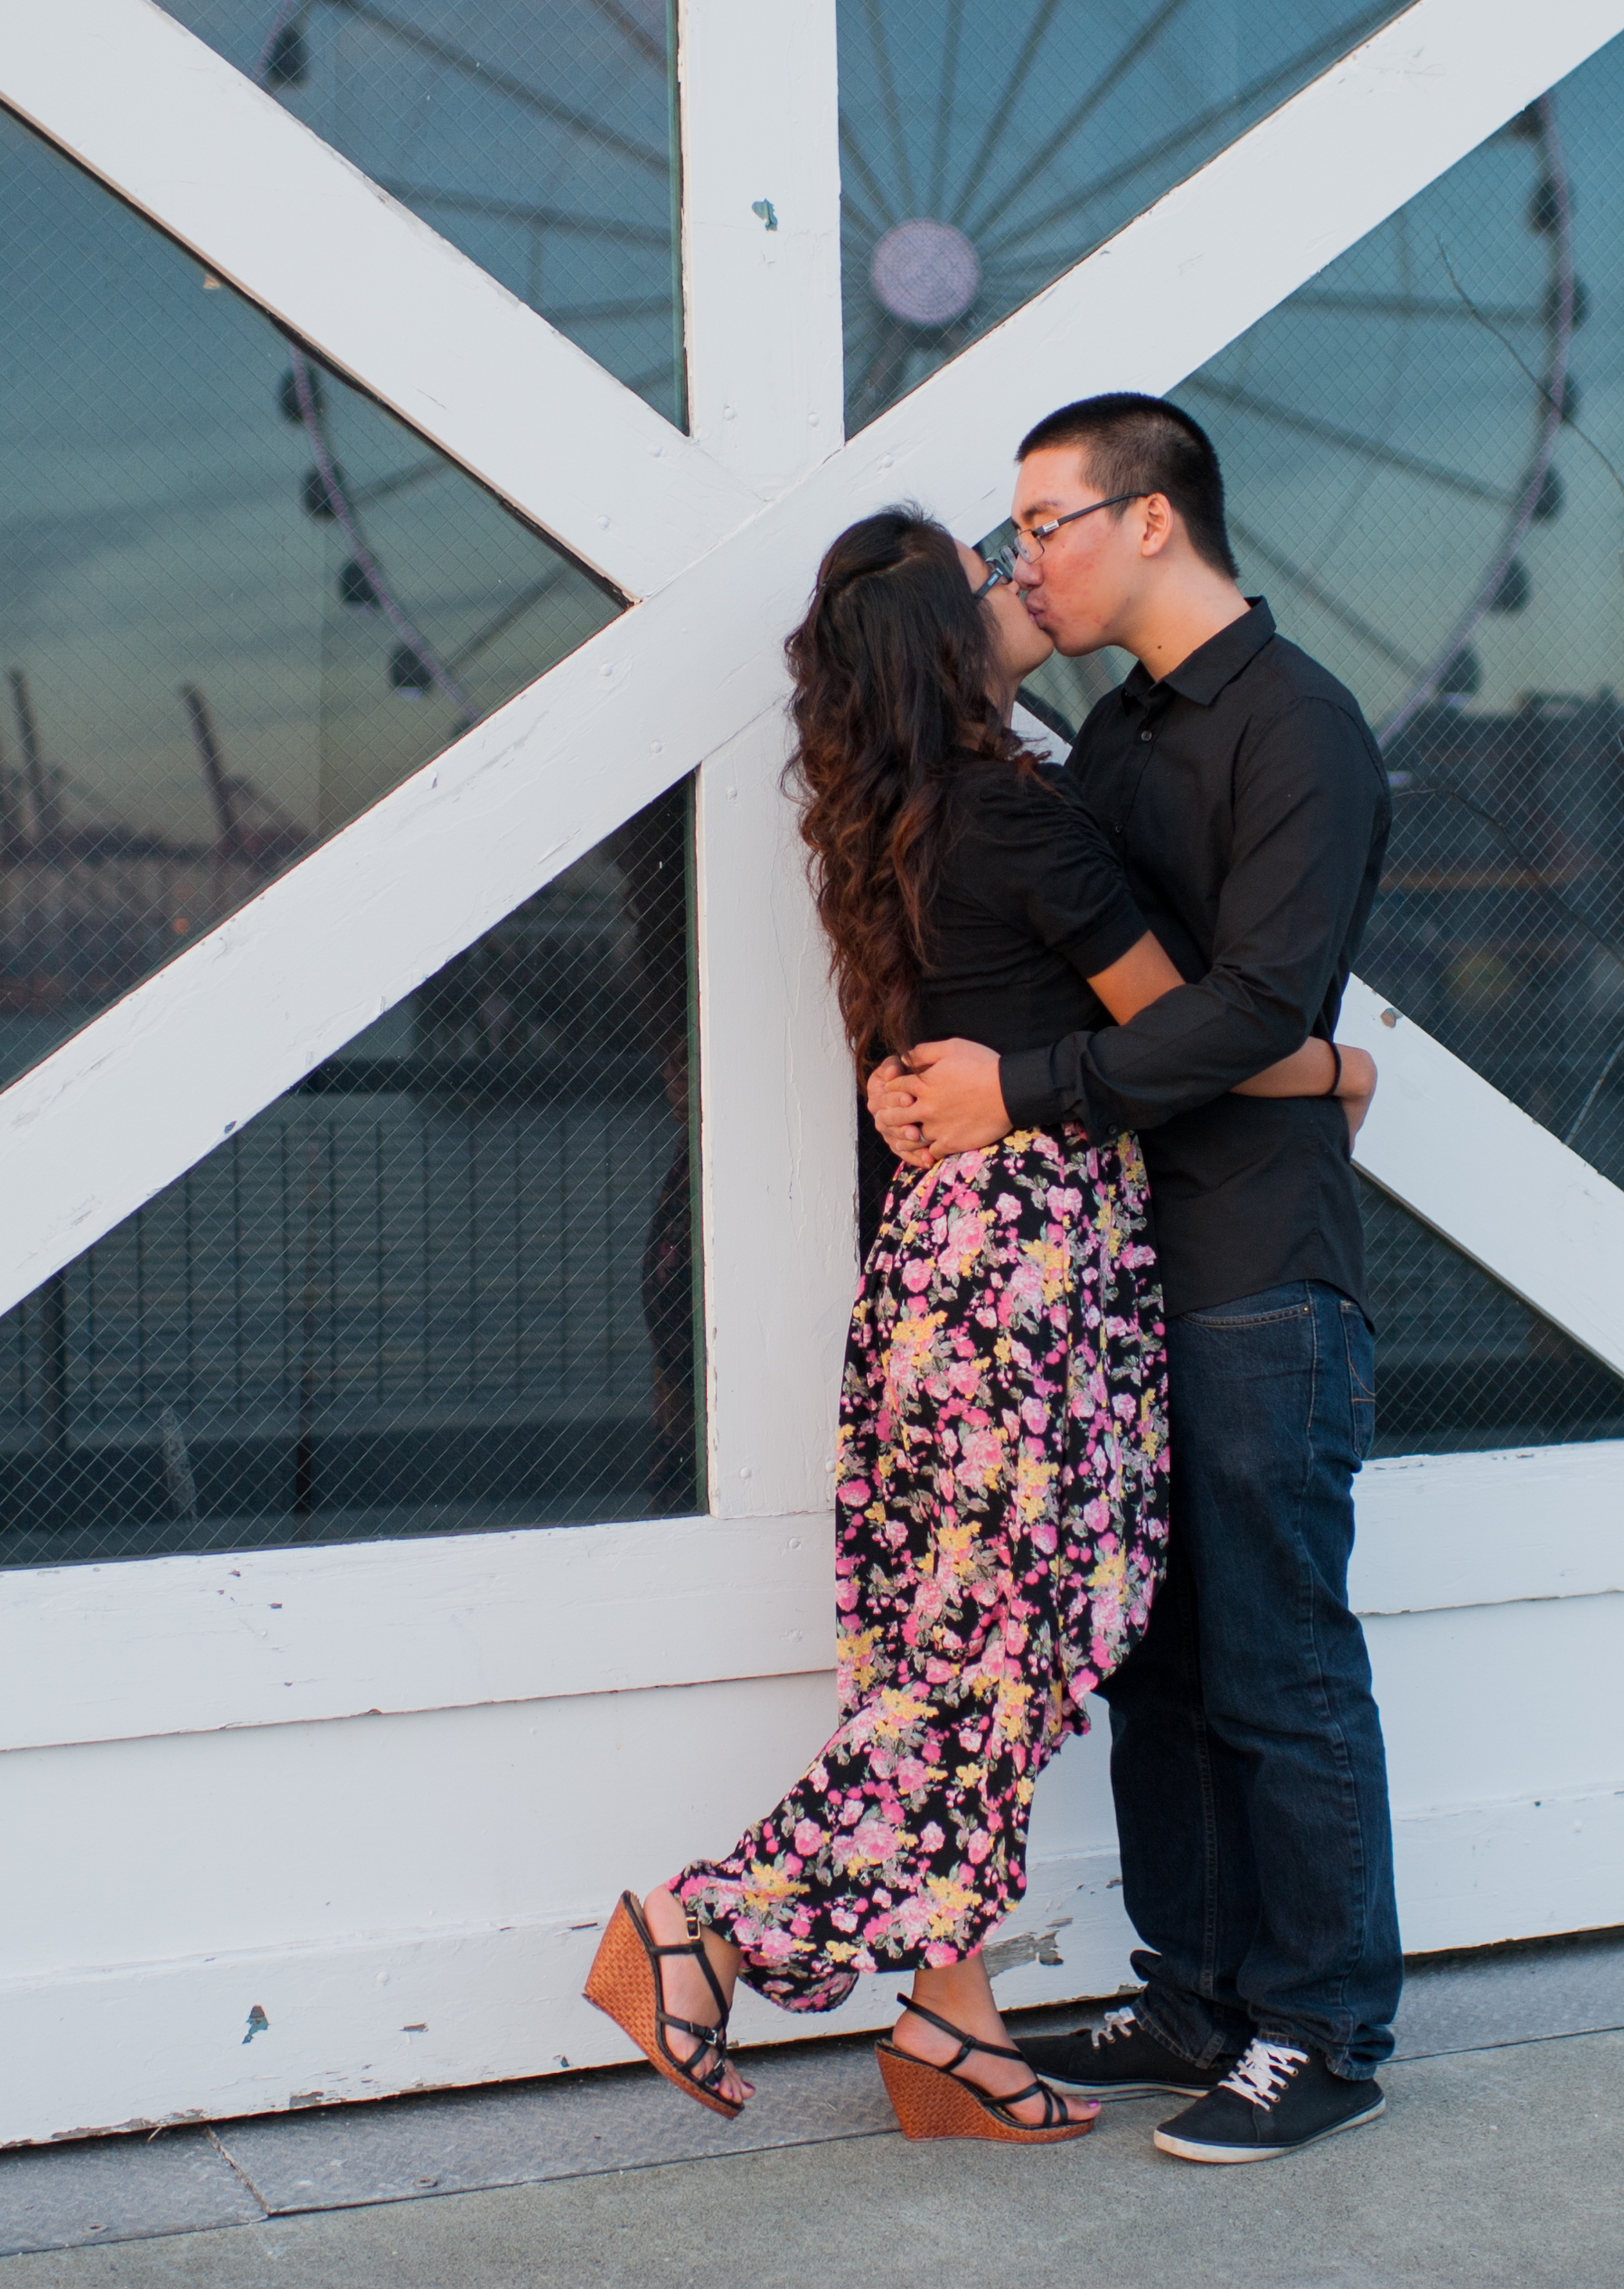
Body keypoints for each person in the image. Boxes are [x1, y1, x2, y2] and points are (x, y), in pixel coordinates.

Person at [580, 508, 1373, 2144]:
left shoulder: (890, 823)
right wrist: (1345, 1074)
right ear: (953, 644)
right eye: (990, 580)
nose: (1024, 584)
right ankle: (705, 1923)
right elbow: (1195, 1033)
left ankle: (951, 2026)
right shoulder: (1024, 818)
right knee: (1000, 1657)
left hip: (936, 1280)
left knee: (954, 1642)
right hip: (1033, 1279)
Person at [869, 395, 1400, 2165]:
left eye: (1046, 522)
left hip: (1255, 1267)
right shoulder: (1110, 741)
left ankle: (1319, 2031)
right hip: (1113, 1276)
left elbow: (1252, 1007)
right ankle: (1194, 1992)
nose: (1023, 559)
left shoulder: (1299, 730)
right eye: (1010, 534)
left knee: (1278, 1661)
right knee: (1157, 1667)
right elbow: (1056, 965)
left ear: (1152, 517)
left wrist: (1020, 1092)